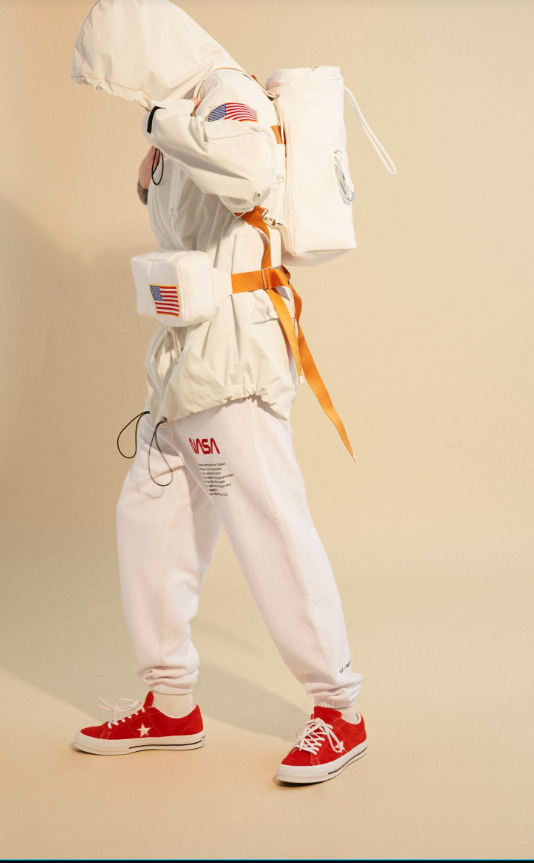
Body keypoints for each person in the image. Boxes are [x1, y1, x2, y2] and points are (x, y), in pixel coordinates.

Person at [71, 0, 366, 784]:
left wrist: (162, 125)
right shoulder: (187, 108)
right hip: (185, 362)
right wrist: (159, 152)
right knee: (149, 517)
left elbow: (248, 172)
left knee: (269, 526)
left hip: (234, 360)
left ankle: (340, 709)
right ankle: (170, 702)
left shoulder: (223, 92)